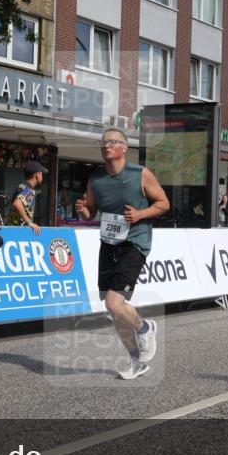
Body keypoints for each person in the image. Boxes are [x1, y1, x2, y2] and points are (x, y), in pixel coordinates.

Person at [75, 128, 170, 380]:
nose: (106, 146)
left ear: (124, 148)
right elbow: (90, 213)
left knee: (113, 303)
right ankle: (136, 360)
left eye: (112, 142)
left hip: (134, 243)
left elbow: (163, 203)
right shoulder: (96, 180)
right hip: (109, 243)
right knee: (114, 310)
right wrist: (83, 210)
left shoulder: (140, 174)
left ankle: (146, 327)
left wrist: (140, 215)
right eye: (103, 142)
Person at [6, 161, 47, 234]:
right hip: (20, 231)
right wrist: (29, 223)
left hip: (11, 229)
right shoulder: (29, 190)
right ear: (37, 175)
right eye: (41, 173)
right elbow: (17, 203)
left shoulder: (20, 187)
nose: (42, 176)